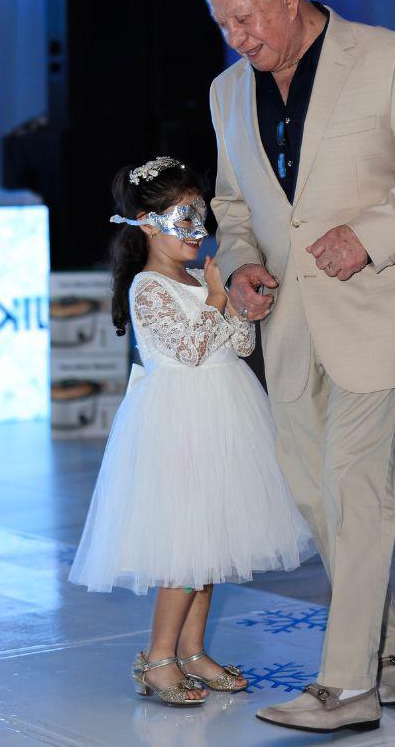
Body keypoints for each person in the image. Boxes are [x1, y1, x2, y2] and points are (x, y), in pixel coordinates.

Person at [199, 0, 395, 733]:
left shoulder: (391, 59)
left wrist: (372, 233)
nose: (237, 38)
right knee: (315, 495)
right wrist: (243, 261)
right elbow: (234, 205)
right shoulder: (228, 92)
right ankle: (382, 652)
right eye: (223, 25)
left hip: (382, 313)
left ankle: (345, 685)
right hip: (288, 322)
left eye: (246, 19)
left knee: (359, 492)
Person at [68, 158, 311, 708]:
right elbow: (193, 349)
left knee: (212, 541)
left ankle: (193, 650)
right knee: (185, 546)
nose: (198, 230)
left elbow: (240, 347)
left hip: (226, 415)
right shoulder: (148, 288)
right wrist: (218, 299)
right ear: (148, 224)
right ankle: (158, 658)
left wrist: (242, 306)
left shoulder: (199, 277)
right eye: (184, 217)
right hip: (180, 423)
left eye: (200, 214)